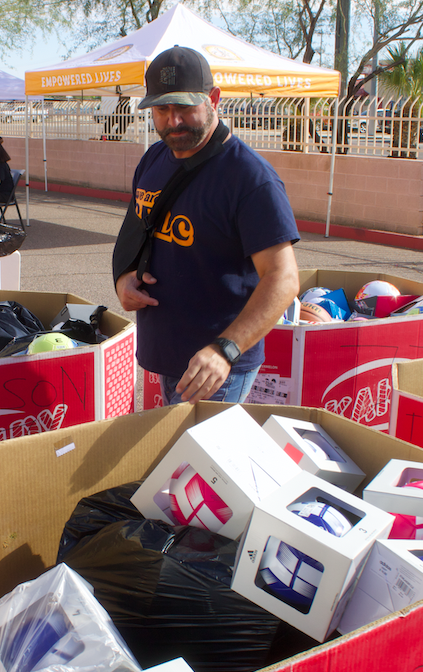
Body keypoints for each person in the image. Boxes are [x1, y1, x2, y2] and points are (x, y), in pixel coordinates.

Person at [112, 47, 300, 406]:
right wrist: (123, 277)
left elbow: (284, 278)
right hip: (164, 354)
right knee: (178, 457)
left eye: (184, 108)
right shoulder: (154, 158)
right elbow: (135, 232)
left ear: (214, 99)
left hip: (214, 367)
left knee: (200, 462)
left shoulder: (249, 178)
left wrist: (224, 349)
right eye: (162, 110)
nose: (173, 121)